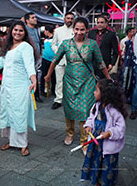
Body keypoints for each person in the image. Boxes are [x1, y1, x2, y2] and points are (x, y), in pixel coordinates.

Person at [44, 17, 111, 155]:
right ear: (73, 29)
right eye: (77, 29)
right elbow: (55, 60)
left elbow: (100, 62)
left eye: (82, 29)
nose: (79, 32)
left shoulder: (92, 44)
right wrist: (48, 75)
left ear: (87, 29)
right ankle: (69, 133)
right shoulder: (65, 44)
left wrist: (108, 77)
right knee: (68, 109)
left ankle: (84, 140)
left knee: (85, 112)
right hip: (69, 82)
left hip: (87, 83)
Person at [0, 21, 37, 156]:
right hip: (7, 87)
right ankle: (11, 141)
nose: (17, 33)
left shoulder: (25, 47)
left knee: (19, 114)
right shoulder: (7, 47)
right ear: (11, 31)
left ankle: (23, 144)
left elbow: (30, 66)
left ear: (24, 33)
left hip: (20, 87)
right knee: (8, 114)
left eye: (20, 31)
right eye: (15, 30)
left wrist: (34, 80)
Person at [81, 79, 127, 186]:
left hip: (108, 146)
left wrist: (110, 133)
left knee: (107, 166)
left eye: (96, 91)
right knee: (95, 162)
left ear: (105, 94)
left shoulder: (114, 111)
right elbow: (91, 117)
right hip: (96, 144)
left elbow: (121, 128)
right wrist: (88, 125)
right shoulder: (96, 106)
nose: (94, 92)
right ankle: (96, 181)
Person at [51, 12, 75, 109]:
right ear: (64, 19)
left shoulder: (75, 30)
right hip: (60, 59)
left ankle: (70, 100)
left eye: (71, 18)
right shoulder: (58, 30)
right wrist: (58, 52)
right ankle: (58, 99)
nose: (69, 20)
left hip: (72, 60)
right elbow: (53, 44)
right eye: (68, 18)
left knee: (72, 81)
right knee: (59, 80)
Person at [24, 12, 43, 103]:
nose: (35, 19)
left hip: (36, 57)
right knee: (29, 76)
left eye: (35, 17)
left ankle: (36, 95)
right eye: (32, 17)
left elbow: (38, 42)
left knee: (35, 76)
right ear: (27, 20)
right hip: (28, 57)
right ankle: (29, 96)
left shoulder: (35, 30)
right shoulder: (25, 30)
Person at [40, 25, 56, 97]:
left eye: (45, 31)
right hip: (44, 59)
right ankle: (42, 90)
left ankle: (53, 90)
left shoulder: (55, 39)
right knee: (43, 75)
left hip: (53, 61)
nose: (44, 32)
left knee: (53, 76)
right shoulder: (45, 39)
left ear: (47, 31)